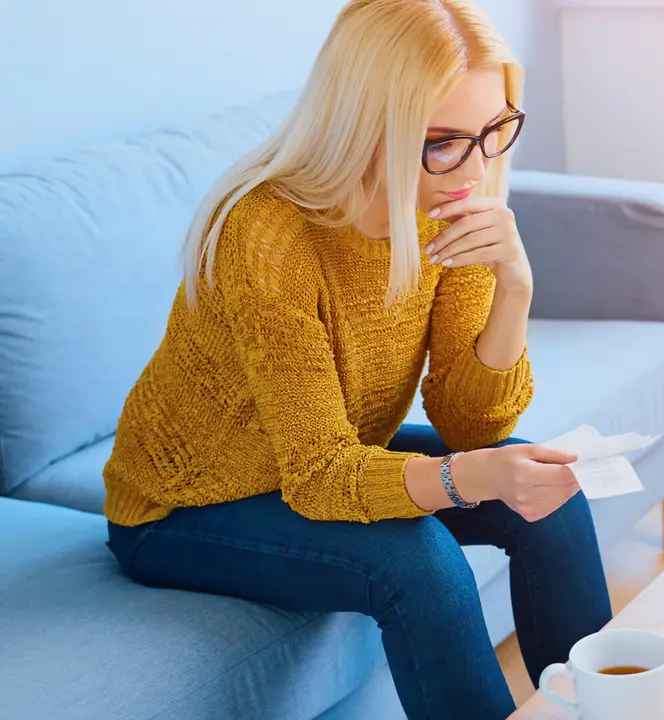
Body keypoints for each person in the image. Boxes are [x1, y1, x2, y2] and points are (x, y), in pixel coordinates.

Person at [100, 1, 613, 718]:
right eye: (443, 142)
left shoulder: (453, 201)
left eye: (493, 131)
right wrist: (471, 478)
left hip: (319, 459)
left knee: (550, 498)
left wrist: (515, 287)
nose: (476, 167)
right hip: (183, 505)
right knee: (422, 563)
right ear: (368, 125)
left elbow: (472, 425)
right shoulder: (268, 235)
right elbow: (317, 476)